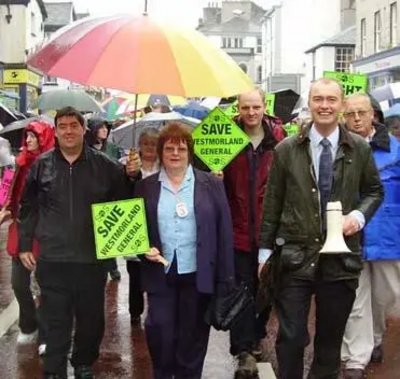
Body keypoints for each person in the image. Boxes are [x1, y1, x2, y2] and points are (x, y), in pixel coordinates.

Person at [258, 78, 384, 379]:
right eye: (318, 99)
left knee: (329, 344)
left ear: (341, 105)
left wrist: (359, 216)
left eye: (331, 99)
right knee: (290, 338)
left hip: (341, 260)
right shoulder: (287, 149)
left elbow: (374, 191)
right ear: (309, 104)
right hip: (294, 257)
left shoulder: (360, 149)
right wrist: (263, 254)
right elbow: (272, 201)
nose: (324, 105)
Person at [17, 107, 140, 379]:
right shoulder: (42, 165)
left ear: (84, 129)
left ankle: (84, 362)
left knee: (90, 319)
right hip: (53, 257)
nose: (69, 131)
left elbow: (124, 204)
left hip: (91, 258)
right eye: (63, 126)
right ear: (57, 130)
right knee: (55, 319)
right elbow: (28, 207)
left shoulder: (106, 166)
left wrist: (131, 177)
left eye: (74, 125)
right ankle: (54, 368)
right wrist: (25, 242)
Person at [135, 122, 234, 379]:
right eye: (169, 148)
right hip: (161, 273)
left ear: (190, 152)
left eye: (181, 148)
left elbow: (224, 233)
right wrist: (142, 247)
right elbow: (136, 230)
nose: (175, 153)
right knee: (161, 332)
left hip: (198, 274)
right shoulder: (146, 187)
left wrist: (226, 279)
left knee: (193, 336)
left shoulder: (211, 183)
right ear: (161, 152)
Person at [221, 88, 285, 373]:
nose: (250, 113)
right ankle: (244, 348)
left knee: (264, 289)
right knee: (240, 289)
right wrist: (214, 174)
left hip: (269, 230)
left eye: (255, 107)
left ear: (264, 106)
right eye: (245, 107)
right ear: (238, 108)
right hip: (236, 229)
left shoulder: (279, 138)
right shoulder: (225, 136)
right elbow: (205, 170)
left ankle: (257, 334)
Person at [341, 93, 400, 379]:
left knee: (386, 296)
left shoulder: (395, 149)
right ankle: (356, 358)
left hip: (387, 234)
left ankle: (376, 336)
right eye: (350, 113)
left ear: (372, 115)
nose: (356, 119)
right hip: (350, 234)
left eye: (361, 113)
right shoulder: (339, 148)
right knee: (355, 297)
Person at [6, 121, 54, 354]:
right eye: (27, 137)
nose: (28, 141)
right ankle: (29, 323)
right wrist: (7, 209)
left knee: (46, 286)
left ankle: (46, 333)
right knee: (18, 283)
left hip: (45, 232)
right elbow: (11, 194)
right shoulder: (20, 163)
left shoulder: (53, 165)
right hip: (20, 229)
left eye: (33, 137)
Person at [126, 127, 160, 325]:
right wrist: (131, 174)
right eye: (146, 143)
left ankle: (154, 309)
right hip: (135, 224)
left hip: (155, 224)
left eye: (154, 144)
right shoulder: (127, 163)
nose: (149, 148)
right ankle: (135, 311)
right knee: (135, 274)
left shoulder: (163, 166)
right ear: (139, 145)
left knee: (154, 270)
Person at [86, 117, 123, 280]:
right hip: (91, 194)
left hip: (109, 193)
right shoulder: (86, 148)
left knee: (109, 232)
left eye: (106, 128)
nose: (104, 131)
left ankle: (112, 266)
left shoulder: (112, 148)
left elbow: (119, 166)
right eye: (101, 128)